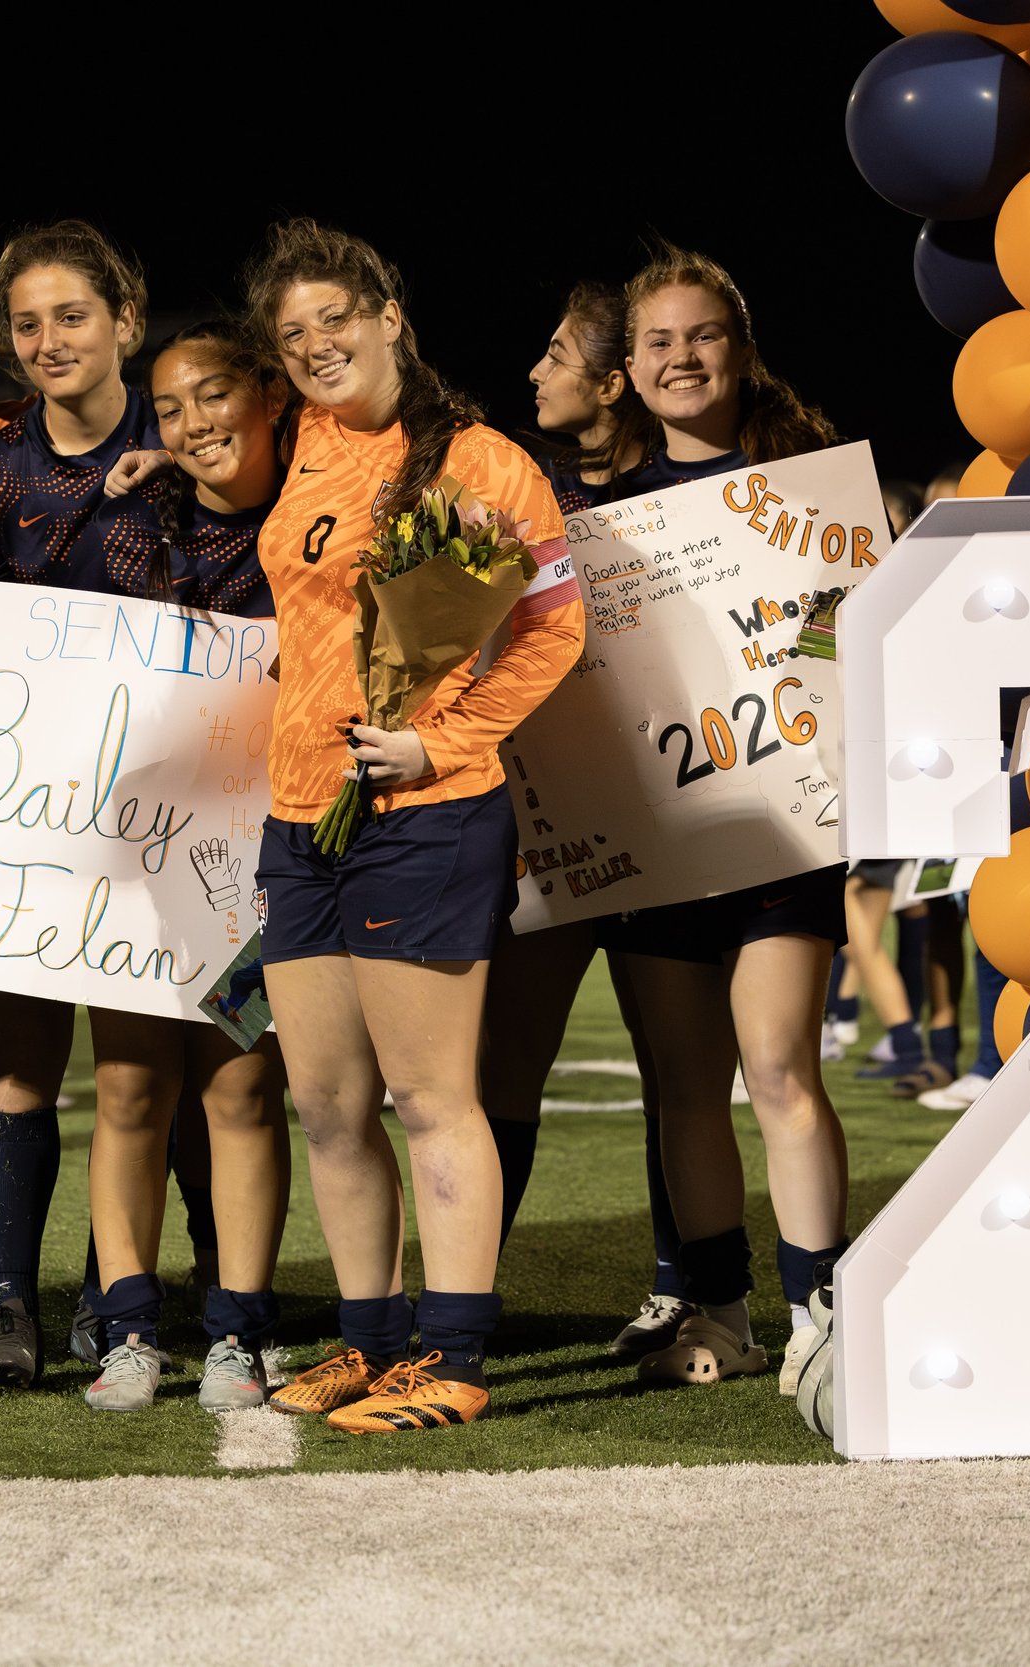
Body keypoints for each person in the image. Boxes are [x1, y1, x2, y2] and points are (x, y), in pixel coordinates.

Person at [246, 219, 581, 1434]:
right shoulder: (302, 445)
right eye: (292, 336)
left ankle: (452, 1353)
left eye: (335, 319)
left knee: (431, 1097)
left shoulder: (484, 462)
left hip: (428, 812)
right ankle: (368, 1339)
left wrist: (447, 737)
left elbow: (553, 627)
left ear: (391, 315)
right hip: (300, 814)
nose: (316, 347)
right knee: (326, 1104)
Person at [0, 219, 219, 1408]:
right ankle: (10, 1296)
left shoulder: (191, 446)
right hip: (28, 808)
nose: (47, 340)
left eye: (71, 316)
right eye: (25, 322)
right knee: (19, 1056)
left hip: (170, 807)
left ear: (125, 320)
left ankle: (168, 1294)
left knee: (168, 1063)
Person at [598, 243, 851, 1396]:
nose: (680, 356)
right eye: (656, 341)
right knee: (685, 1087)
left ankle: (822, 1311)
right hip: (657, 839)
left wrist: (805, 647)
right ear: (629, 369)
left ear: (740, 350)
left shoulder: (811, 495)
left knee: (778, 1064)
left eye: (701, 334)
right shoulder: (593, 522)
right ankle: (723, 1312)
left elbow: (839, 650)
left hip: (780, 829)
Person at [475, 282, 707, 1362]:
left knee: (679, 1068)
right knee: (499, 1068)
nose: (535, 373)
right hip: (547, 829)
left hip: (672, 825)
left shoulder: (692, 491)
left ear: (611, 380)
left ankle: (687, 1292)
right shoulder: (523, 492)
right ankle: (462, 1298)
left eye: (557, 354)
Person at [86, 317, 298, 1411]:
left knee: (241, 1089)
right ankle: (128, 1328)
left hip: (268, 852)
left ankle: (237, 1330)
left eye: (213, 394)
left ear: (264, 392)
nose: (194, 422)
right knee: (126, 1088)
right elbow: (84, 662)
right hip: (139, 850)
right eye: (169, 407)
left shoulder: (315, 511)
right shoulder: (135, 522)